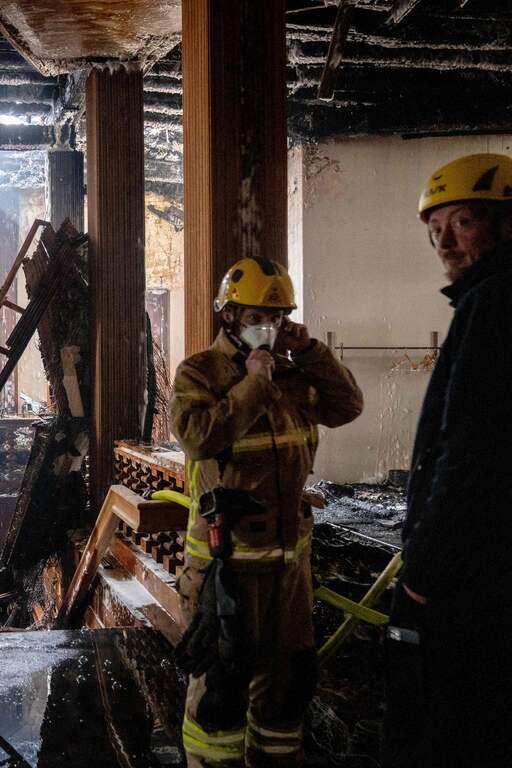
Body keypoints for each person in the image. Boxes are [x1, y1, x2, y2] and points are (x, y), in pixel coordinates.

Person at [170, 258, 363, 767]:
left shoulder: (293, 374)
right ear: (229, 316)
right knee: (220, 692)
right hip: (225, 567)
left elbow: (348, 407)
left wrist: (312, 352)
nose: (268, 327)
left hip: (287, 565)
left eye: (278, 317)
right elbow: (197, 437)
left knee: (287, 687)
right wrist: (253, 383)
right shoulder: (200, 372)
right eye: (258, 316)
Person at [383, 153, 512, 768]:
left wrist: (423, 573)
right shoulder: (485, 302)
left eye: (462, 223)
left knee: (446, 727)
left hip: (473, 577)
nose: (445, 243)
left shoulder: (494, 304)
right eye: (435, 230)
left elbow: (471, 451)